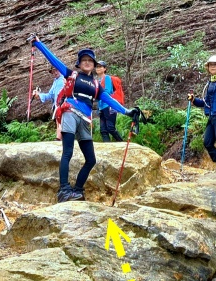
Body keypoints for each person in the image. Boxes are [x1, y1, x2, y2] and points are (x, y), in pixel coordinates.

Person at [32, 39, 138, 201]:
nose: (87, 62)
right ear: (79, 64)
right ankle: (64, 190)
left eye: (90, 60)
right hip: (70, 113)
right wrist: (39, 44)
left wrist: (127, 112)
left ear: (94, 65)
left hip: (85, 120)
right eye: (84, 60)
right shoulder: (72, 75)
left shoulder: (96, 85)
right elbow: (53, 59)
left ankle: (77, 190)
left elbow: (110, 100)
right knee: (67, 152)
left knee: (91, 159)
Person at [95, 61, 123, 143]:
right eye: (97, 67)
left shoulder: (107, 78)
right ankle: (107, 147)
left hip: (109, 106)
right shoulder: (97, 81)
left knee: (110, 128)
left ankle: (122, 143)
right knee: (103, 130)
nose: (98, 68)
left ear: (105, 69)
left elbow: (107, 91)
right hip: (101, 107)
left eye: (100, 67)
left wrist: (97, 95)